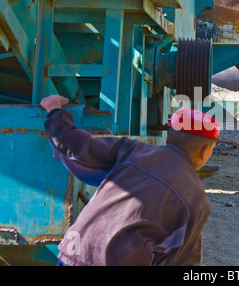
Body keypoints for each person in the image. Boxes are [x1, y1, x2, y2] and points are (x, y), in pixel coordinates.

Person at [40, 94, 220, 266]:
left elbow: (75, 146)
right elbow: (172, 258)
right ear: (205, 151)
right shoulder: (197, 202)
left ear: (169, 137)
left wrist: (53, 108)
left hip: (76, 252)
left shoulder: (133, 150)